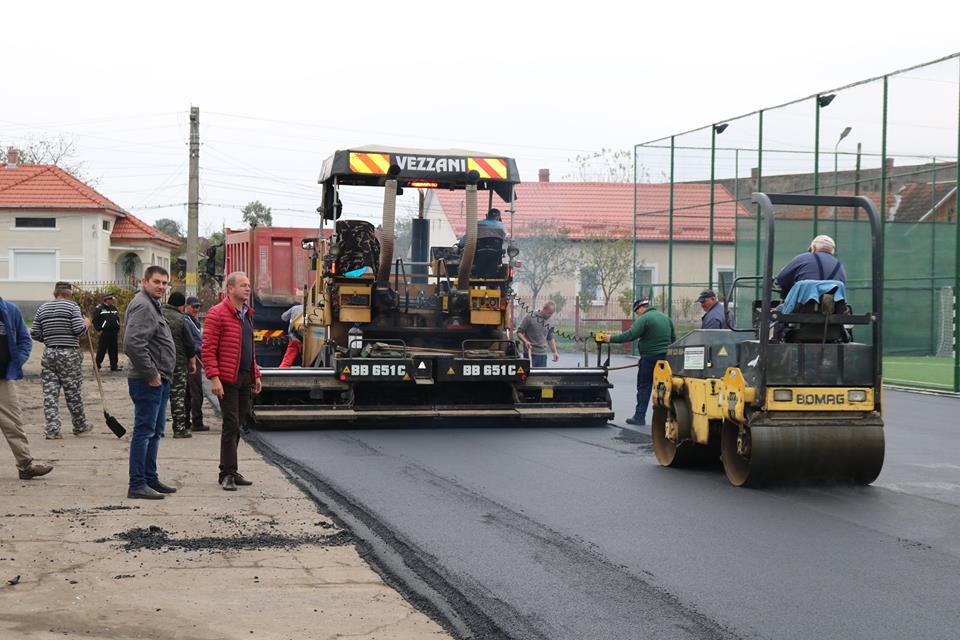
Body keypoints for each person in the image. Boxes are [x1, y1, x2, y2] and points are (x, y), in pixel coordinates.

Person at [202, 272, 262, 491]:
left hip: (245, 377)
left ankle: (231, 469)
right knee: (231, 424)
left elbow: (249, 348)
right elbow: (208, 349)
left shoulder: (246, 314)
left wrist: (256, 374)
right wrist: (214, 378)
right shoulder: (217, 313)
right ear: (230, 288)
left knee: (238, 423)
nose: (248, 288)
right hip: (227, 379)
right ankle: (227, 473)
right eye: (243, 285)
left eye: (249, 285)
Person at [123, 266, 178, 500]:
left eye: (165, 283)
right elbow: (132, 344)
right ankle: (137, 484)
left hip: (160, 379)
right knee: (144, 432)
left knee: (155, 432)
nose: (161, 287)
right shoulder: (143, 305)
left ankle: (149, 478)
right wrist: (151, 374)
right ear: (144, 282)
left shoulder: (152, 305)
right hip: (148, 381)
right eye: (157, 282)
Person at [31, 282, 94, 439]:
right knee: (73, 391)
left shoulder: (43, 308)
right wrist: (86, 323)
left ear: (55, 293)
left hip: (49, 353)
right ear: (69, 293)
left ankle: (52, 430)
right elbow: (79, 330)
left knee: (50, 393)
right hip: (69, 354)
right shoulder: (72, 307)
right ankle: (79, 426)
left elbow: (35, 333)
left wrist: (50, 339)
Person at [0, 295, 53, 480]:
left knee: (13, 423)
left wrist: (17, 362)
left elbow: (25, 340)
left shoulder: (10, 310)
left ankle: (25, 466)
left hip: (3, 379)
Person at [602, 298, 675, 426]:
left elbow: (630, 335)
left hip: (649, 358)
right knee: (665, 388)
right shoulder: (666, 318)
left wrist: (610, 338)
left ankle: (639, 417)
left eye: (637, 312)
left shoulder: (644, 318)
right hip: (666, 359)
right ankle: (667, 418)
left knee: (644, 387)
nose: (637, 315)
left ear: (641, 308)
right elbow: (673, 338)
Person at [161, 291, 197, 439]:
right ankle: (179, 429)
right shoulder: (182, 319)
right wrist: (192, 361)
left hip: (159, 362)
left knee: (159, 396)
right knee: (177, 396)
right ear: (181, 305)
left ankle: (158, 428)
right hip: (178, 362)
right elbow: (189, 343)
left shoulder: (158, 314)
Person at [775, 234, 846, 297]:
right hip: (833, 307)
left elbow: (781, 278)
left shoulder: (803, 258)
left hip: (802, 306)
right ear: (832, 251)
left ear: (813, 248)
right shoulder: (839, 265)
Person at [183, 296, 207, 432]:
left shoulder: (194, 321)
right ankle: (197, 421)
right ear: (186, 306)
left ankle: (186, 420)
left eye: (198, 307)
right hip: (192, 358)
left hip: (195, 357)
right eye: (194, 306)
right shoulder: (186, 321)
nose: (196, 309)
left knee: (188, 391)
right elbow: (189, 342)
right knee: (196, 392)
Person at [516, 301, 560, 368]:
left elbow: (550, 337)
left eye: (551, 314)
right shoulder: (530, 317)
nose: (550, 316)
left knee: (541, 374)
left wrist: (554, 352)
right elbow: (519, 332)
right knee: (529, 374)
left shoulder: (550, 321)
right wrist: (525, 341)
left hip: (542, 355)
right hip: (530, 353)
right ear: (544, 309)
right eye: (549, 313)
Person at [93, 294, 123, 371]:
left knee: (114, 349)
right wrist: (99, 329)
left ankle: (114, 366)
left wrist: (118, 327)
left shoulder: (113, 308)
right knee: (102, 349)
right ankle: (97, 365)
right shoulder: (99, 308)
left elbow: (117, 318)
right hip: (104, 332)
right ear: (107, 300)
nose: (112, 301)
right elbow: (95, 320)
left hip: (113, 332)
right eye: (111, 299)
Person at [279, 303, 303, 368]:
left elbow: (283, 317)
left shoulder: (294, 308)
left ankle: (283, 369)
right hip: (308, 339)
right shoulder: (311, 309)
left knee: (289, 356)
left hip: (295, 337)